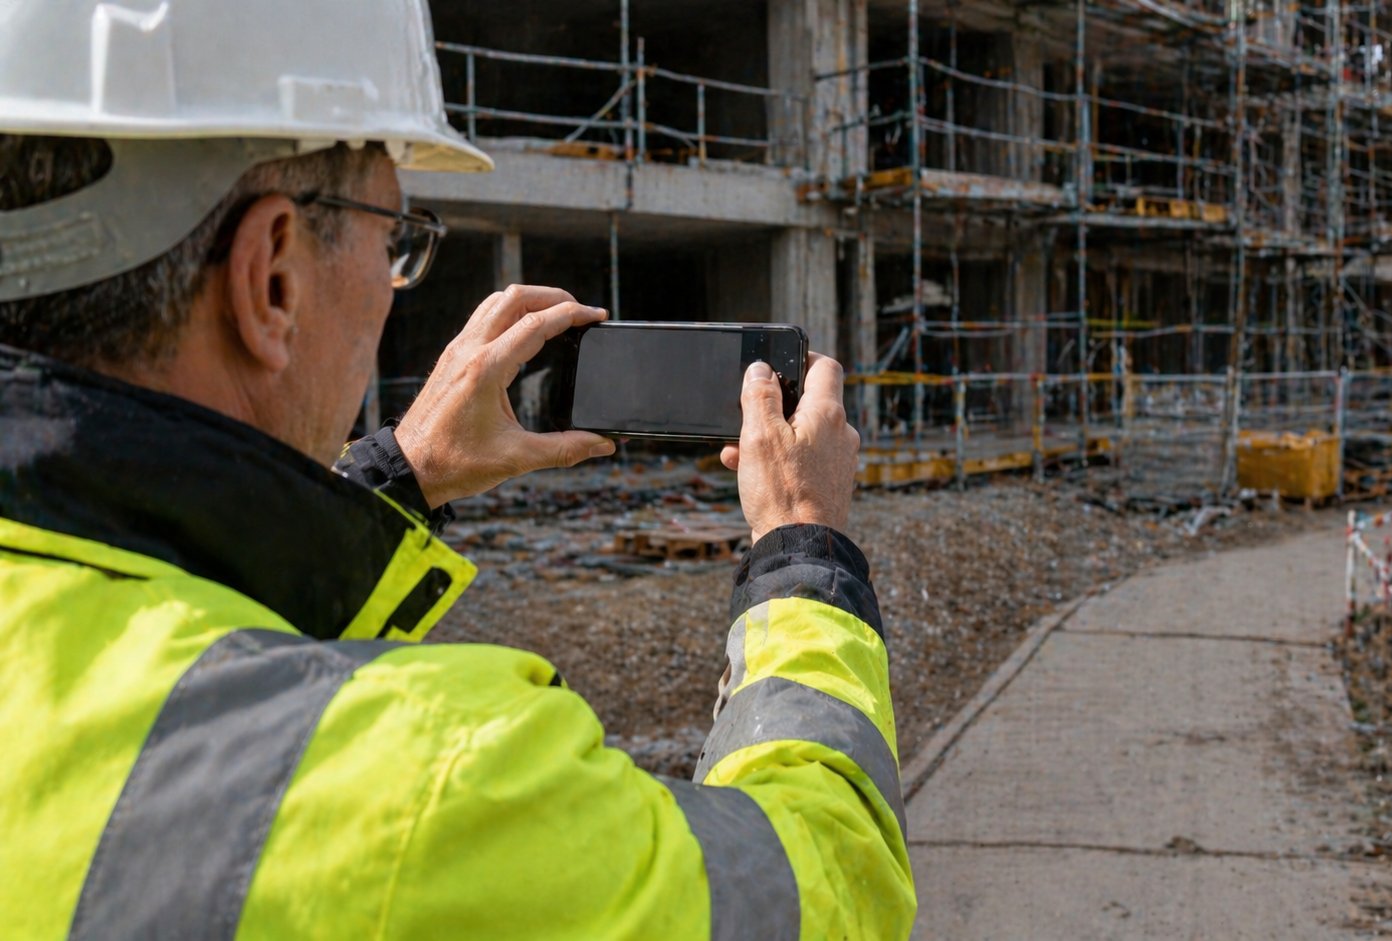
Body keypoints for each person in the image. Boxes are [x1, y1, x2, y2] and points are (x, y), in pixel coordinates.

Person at [0, 1, 913, 938]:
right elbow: (828, 879)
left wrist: (396, 477)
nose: (395, 282)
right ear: (271, 276)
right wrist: (804, 552)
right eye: (393, 239)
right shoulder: (440, 781)